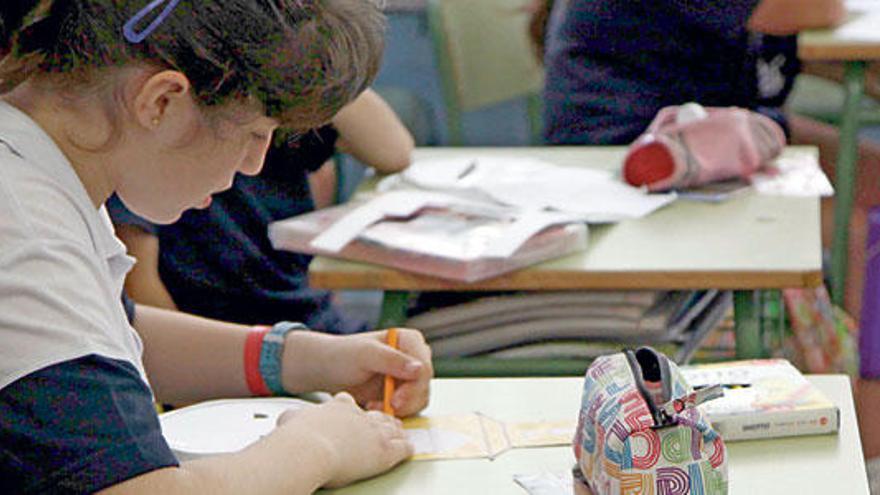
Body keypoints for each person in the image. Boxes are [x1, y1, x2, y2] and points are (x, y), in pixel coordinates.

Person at [0, 1, 433, 493]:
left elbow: (105, 341)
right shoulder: (24, 231)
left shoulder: (43, 169)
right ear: (161, 101)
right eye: (255, 132)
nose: (254, 164)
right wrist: (317, 448)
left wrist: (303, 358)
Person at [108, 88, 414, 333]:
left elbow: (394, 152)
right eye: (254, 135)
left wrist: (317, 67)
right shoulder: (165, 133)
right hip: (222, 341)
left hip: (308, 324)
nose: (254, 161)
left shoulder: (281, 102)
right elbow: (140, 286)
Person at [534, 0, 845, 145]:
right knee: (858, 207)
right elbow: (812, 9)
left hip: (697, 121)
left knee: (865, 175)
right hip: (627, 143)